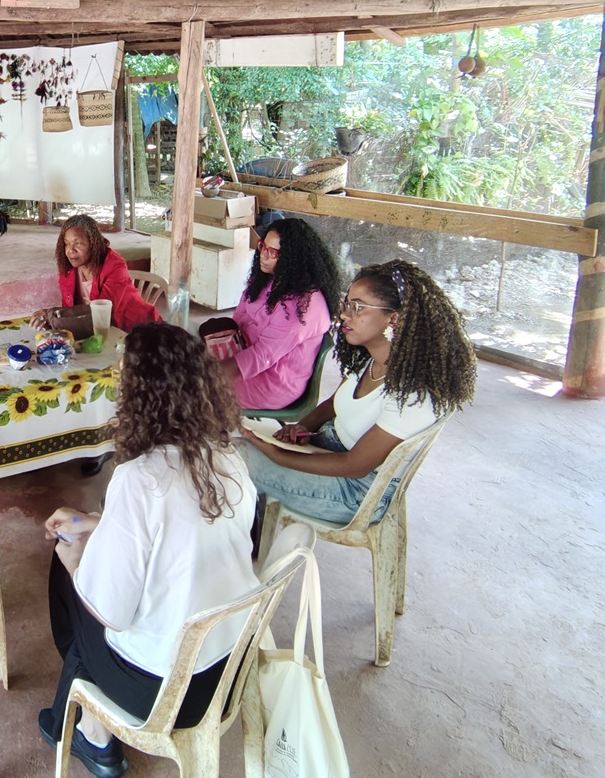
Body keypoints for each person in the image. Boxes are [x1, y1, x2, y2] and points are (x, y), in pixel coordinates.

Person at [37, 323, 259, 778]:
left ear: (139, 396)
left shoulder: (139, 478)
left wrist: (77, 559)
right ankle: (81, 722)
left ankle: (92, 732)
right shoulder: (228, 457)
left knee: (67, 580)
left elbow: (110, 612)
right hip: (226, 671)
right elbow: (185, 537)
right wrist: (101, 524)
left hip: (162, 694)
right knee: (81, 549)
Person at [240, 260, 477, 525]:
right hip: (332, 448)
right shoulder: (370, 360)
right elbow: (333, 404)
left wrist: (280, 456)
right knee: (231, 441)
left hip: (355, 492)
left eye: (358, 307)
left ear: (394, 318)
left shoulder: (412, 395)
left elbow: (356, 466)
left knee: (234, 462)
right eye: (347, 304)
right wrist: (301, 427)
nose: (344, 315)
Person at [202, 218, 342, 409]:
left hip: (273, 382)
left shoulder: (302, 308)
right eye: (262, 246)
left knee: (193, 387)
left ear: (292, 259)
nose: (263, 255)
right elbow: (238, 320)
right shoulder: (265, 280)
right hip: (246, 354)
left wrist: (210, 373)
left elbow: (261, 356)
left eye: (272, 252)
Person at [30, 214, 161, 334]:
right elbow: (68, 306)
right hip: (96, 329)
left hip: (136, 331)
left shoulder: (115, 266)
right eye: (66, 243)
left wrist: (54, 314)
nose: (70, 250)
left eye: (78, 243)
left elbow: (103, 312)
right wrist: (55, 321)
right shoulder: (68, 267)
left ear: (93, 244)